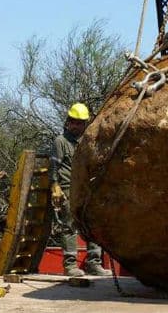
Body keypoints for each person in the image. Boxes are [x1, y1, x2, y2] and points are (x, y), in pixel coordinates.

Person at [49, 103, 111, 277]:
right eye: (73, 122)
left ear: (85, 124)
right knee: (69, 225)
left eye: (79, 123)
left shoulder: (87, 141)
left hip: (86, 189)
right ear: (68, 122)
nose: (76, 125)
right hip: (68, 189)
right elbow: (54, 165)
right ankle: (70, 265)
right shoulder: (60, 141)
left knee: (92, 224)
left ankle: (94, 263)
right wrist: (55, 186)